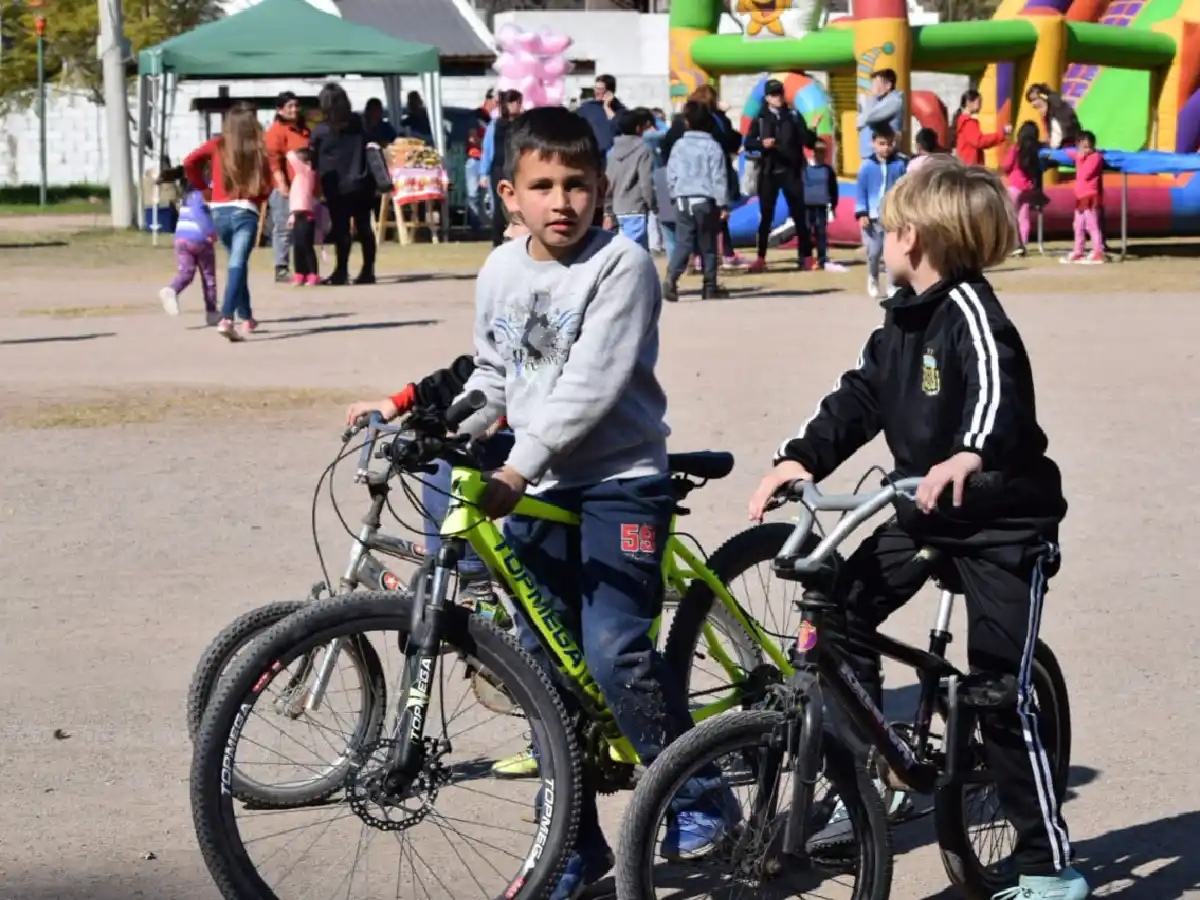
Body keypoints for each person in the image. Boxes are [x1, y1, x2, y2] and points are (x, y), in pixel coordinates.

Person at [748, 155, 1088, 900]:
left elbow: (999, 394)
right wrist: (798, 457)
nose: (878, 235)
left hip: (1002, 524)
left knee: (997, 692)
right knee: (837, 616)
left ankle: (1048, 867)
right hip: (925, 512)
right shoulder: (899, 318)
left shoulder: (974, 314)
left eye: (888, 225)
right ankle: (876, 770)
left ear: (915, 238)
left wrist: (971, 452)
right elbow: (859, 397)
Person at [458, 105, 729, 900]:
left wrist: (517, 467)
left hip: (620, 482)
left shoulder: (623, 265)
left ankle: (700, 792)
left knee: (613, 652)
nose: (561, 200)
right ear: (509, 195)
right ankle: (573, 844)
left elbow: (590, 386)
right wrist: (436, 423)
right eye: (542, 185)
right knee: (542, 667)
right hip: (536, 486)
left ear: (602, 187)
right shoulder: (499, 269)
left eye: (576, 183)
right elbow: (493, 377)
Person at [183, 102, 272, 341]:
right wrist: (259, 198)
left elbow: (189, 162)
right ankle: (227, 318)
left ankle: (247, 316)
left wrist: (203, 188)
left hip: (219, 212)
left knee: (237, 263)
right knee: (238, 263)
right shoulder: (259, 149)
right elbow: (268, 183)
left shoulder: (217, 144)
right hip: (245, 211)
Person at [660, 84, 746, 269]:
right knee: (711, 223)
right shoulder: (713, 123)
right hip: (706, 182)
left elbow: (667, 150)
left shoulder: (679, 126)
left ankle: (688, 264)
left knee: (689, 228)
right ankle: (712, 265)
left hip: (684, 184)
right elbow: (727, 142)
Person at [743, 78, 816, 273]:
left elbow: (807, 141)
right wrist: (762, 144)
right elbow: (748, 142)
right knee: (766, 216)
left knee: (799, 215)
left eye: (780, 94)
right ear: (767, 98)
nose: (778, 98)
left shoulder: (793, 115)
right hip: (768, 172)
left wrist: (812, 130)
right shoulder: (760, 118)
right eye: (774, 95)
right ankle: (760, 258)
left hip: (791, 170)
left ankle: (807, 257)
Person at [309, 82, 377, 285]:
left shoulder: (321, 131)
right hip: (363, 181)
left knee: (341, 229)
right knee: (364, 227)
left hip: (337, 185)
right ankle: (368, 270)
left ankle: (341, 270)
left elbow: (313, 159)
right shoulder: (359, 123)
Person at [664, 100, 730, 302]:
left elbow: (671, 173)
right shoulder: (712, 146)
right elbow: (718, 177)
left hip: (683, 199)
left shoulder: (679, 145)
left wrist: (674, 193)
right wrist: (723, 203)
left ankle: (671, 278)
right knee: (708, 244)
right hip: (705, 199)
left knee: (683, 243)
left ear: (687, 122)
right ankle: (709, 286)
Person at [854, 123, 907, 299]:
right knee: (874, 252)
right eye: (882, 144)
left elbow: (903, 189)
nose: (886, 148)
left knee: (892, 253)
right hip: (872, 217)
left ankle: (892, 283)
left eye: (889, 144)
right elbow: (860, 191)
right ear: (874, 143)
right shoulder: (867, 166)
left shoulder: (899, 165)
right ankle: (873, 277)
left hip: (892, 216)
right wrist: (862, 213)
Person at [264, 91, 310, 283]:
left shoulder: (302, 130)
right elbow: (273, 161)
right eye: (289, 106)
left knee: (303, 229)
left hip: (303, 187)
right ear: (280, 110)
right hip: (285, 187)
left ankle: (305, 268)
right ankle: (281, 267)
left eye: (296, 105)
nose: (294, 110)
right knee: (283, 227)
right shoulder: (276, 132)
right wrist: (282, 184)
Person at [159, 185, 219, 325]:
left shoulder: (187, 196)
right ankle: (211, 312)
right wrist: (211, 231)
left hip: (181, 238)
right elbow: (199, 213)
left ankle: (172, 289)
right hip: (200, 239)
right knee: (208, 277)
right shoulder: (202, 194)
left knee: (186, 273)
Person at [604, 108, 657, 248]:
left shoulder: (612, 151)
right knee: (636, 252)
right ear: (638, 128)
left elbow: (608, 182)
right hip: (635, 207)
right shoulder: (644, 149)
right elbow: (646, 182)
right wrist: (653, 204)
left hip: (617, 208)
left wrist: (608, 210)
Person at [480, 89, 524, 247]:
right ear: (506, 104)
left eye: (519, 102)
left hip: (518, 168)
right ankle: (497, 241)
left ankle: (519, 237)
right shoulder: (495, 124)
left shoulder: (523, 124)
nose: (516, 105)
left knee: (519, 204)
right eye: (513, 102)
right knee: (499, 206)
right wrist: (483, 173)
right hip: (498, 169)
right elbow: (487, 149)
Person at [1001, 121, 1046, 257]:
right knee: (1024, 217)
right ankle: (1023, 244)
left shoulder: (1015, 149)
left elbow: (1006, 165)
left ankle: (1014, 244)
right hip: (1028, 189)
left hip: (1014, 186)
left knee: (1010, 217)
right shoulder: (1037, 151)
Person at [1061, 130, 1105, 264]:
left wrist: (1080, 157)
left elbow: (1086, 174)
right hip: (1080, 196)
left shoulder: (1095, 157)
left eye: (1087, 146)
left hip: (1090, 196)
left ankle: (1098, 252)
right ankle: (1078, 251)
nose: (1084, 150)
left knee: (1091, 225)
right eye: (1081, 146)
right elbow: (1069, 153)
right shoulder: (1080, 155)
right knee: (1078, 225)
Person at [802, 136, 843, 272]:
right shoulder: (804, 169)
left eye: (823, 151)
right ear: (813, 152)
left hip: (821, 205)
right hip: (806, 206)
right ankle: (805, 258)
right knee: (806, 232)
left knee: (821, 233)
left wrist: (833, 206)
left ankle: (822, 259)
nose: (821, 154)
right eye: (818, 151)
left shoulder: (828, 170)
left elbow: (833, 189)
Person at [856, 68, 905, 164]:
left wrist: (872, 98)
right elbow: (860, 120)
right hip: (872, 155)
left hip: (883, 155)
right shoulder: (880, 100)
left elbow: (869, 117)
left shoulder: (894, 100)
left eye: (876, 83)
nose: (873, 87)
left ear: (888, 85)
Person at [286, 148, 320, 285]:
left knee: (306, 245)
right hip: (297, 214)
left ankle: (312, 273)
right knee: (297, 246)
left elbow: (290, 156)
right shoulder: (299, 177)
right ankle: (300, 273)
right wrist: (292, 216)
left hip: (306, 215)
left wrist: (288, 149)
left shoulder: (306, 172)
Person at [953, 89, 1011, 166]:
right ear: (968, 102)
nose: (980, 105)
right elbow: (979, 141)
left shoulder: (963, 120)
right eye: (979, 102)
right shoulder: (968, 122)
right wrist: (1002, 133)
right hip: (971, 165)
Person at [575, 74, 625, 157]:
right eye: (595, 88)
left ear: (610, 92)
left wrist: (607, 107)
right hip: (590, 155)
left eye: (600, 89)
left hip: (612, 157)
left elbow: (617, 127)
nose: (596, 92)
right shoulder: (587, 108)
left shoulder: (620, 110)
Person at [1026, 83, 1081, 150]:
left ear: (1044, 97)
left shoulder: (1058, 108)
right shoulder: (1047, 114)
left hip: (1067, 147)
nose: (1033, 104)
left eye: (1034, 99)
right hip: (1060, 146)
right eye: (1031, 101)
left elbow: (1061, 135)